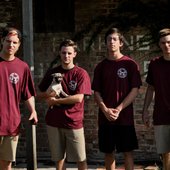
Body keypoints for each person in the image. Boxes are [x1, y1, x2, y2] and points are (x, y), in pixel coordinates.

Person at [92, 27, 142, 170]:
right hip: (105, 118)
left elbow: (135, 90)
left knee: (128, 152)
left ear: (121, 43)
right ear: (105, 43)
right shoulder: (100, 67)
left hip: (125, 117)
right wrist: (105, 110)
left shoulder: (130, 64)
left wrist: (119, 109)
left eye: (115, 39)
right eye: (109, 39)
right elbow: (96, 92)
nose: (112, 42)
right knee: (108, 153)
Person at [38, 39, 91, 170]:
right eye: (63, 53)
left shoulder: (81, 73)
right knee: (59, 160)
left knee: (81, 159)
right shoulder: (52, 73)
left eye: (69, 53)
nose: (66, 56)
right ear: (59, 54)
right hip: (54, 122)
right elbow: (38, 94)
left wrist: (56, 101)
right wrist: (48, 94)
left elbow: (79, 98)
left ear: (74, 54)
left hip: (73, 122)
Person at [0, 27, 38, 170]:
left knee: (6, 164)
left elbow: (27, 93)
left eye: (15, 42)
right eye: (8, 41)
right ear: (2, 41)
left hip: (11, 123)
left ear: (19, 45)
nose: (11, 45)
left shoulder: (22, 67)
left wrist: (33, 110)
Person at [142, 28, 170, 170]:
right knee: (165, 153)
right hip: (161, 115)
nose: (167, 45)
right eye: (163, 43)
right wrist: (145, 110)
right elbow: (151, 88)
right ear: (159, 44)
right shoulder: (155, 64)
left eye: (169, 42)